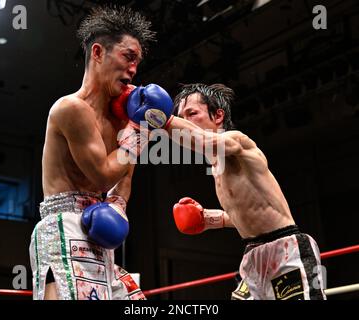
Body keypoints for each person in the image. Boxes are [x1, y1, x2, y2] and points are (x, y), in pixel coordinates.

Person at [29, 5, 158, 300]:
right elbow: (102, 175)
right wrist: (141, 133)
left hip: (99, 227)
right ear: (98, 53)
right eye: (128, 56)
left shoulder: (122, 119)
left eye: (138, 61)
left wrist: (117, 205)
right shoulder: (71, 108)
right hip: (64, 226)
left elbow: (123, 174)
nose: (134, 69)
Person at [167, 83, 326, 300]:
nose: (185, 121)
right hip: (252, 255)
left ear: (218, 116)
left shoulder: (237, 141)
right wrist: (207, 219)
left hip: (286, 249)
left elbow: (203, 140)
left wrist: (162, 119)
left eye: (191, 113)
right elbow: (250, 212)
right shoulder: (215, 167)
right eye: (180, 116)